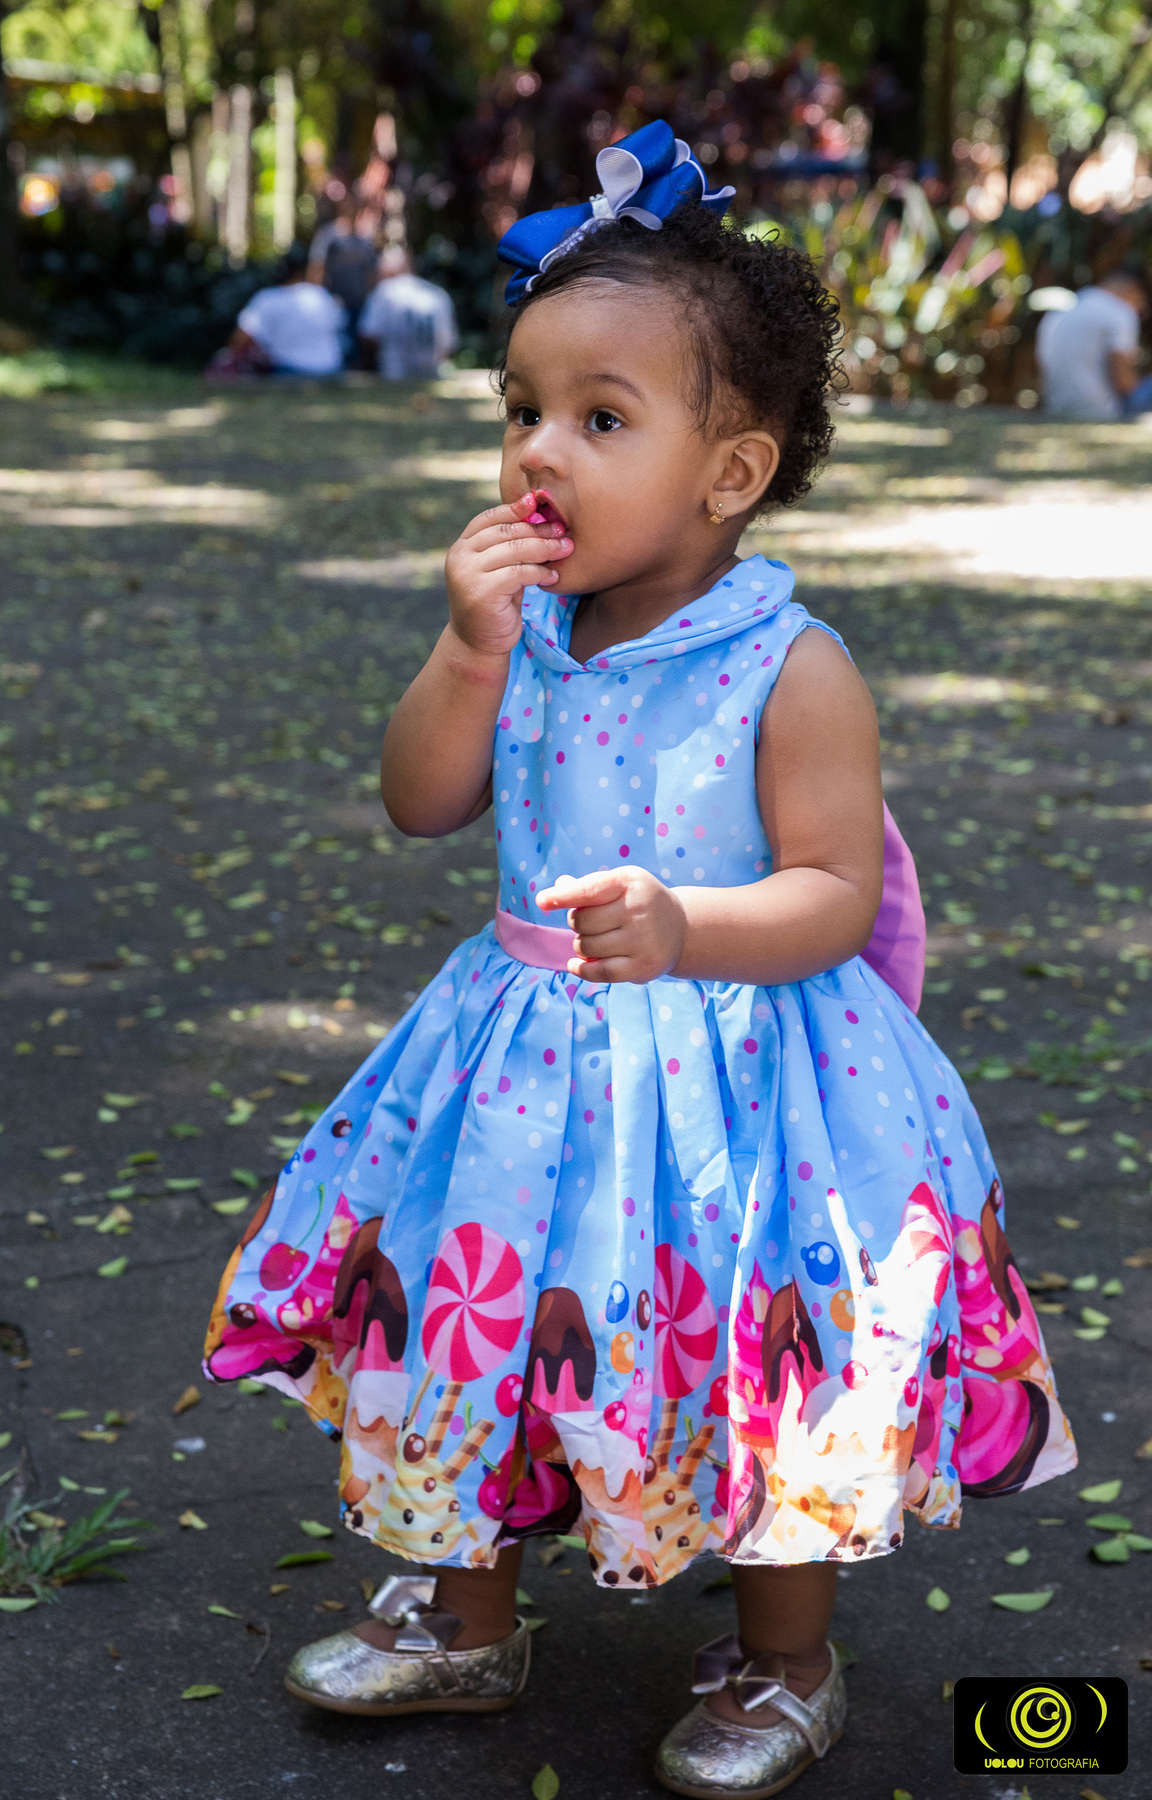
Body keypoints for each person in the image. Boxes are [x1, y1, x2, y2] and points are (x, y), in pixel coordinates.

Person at [202, 121, 1075, 1799]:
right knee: (476, 1333)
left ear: (728, 473)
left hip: (742, 1092)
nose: (539, 449)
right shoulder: (519, 632)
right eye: (520, 409)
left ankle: (784, 1660)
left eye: (600, 420)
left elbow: (835, 894)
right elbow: (420, 802)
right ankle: (467, 1617)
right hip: (521, 1079)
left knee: (760, 1356)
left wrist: (690, 927)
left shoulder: (793, 668)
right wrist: (465, 653)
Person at [211, 243, 346, 380]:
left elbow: (241, 339)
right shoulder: (321, 296)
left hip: (289, 370)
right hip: (330, 368)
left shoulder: (267, 298)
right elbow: (337, 330)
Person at [1036, 270, 1152, 420]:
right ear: (1131, 291)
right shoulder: (1119, 311)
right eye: (1140, 303)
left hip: (1058, 408)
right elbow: (1124, 383)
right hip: (1102, 410)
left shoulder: (1061, 311)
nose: (1142, 312)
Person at [356, 245, 458, 379]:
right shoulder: (438, 294)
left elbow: (369, 335)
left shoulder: (384, 292)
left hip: (394, 374)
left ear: (386, 270)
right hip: (432, 373)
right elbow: (450, 345)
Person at [307, 197, 378, 352]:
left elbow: (372, 271)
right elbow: (317, 266)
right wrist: (316, 297)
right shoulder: (328, 234)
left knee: (357, 348)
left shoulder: (366, 236)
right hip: (334, 301)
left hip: (360, 303)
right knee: (338, 346)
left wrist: (373, 299)